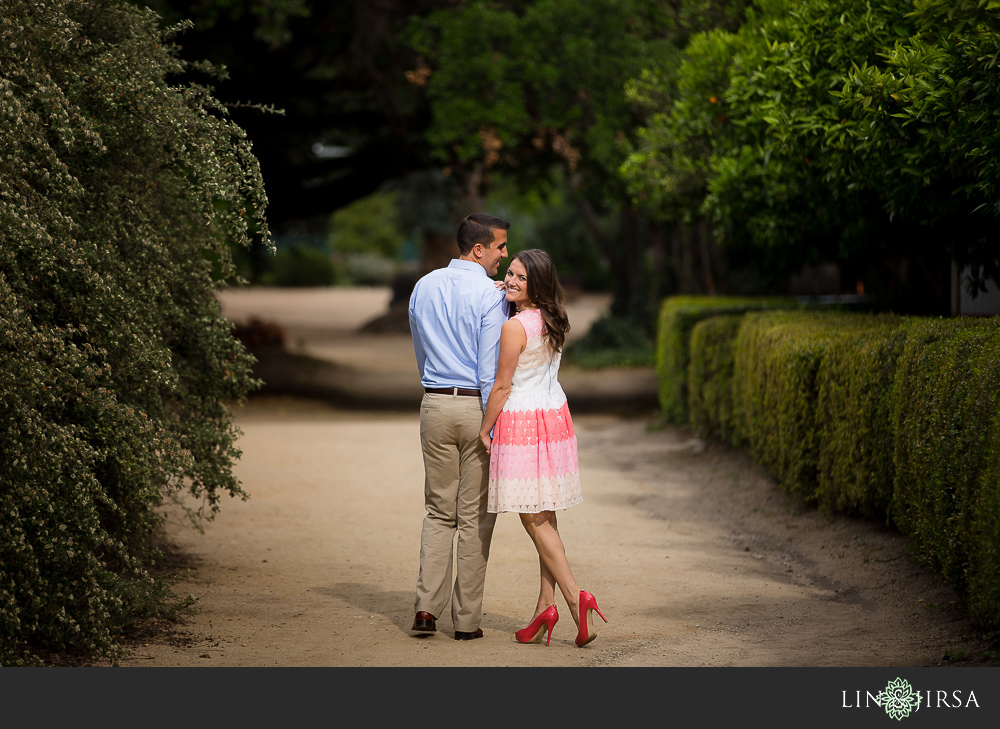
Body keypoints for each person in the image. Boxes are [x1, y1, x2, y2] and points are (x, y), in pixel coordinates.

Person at [479, 249, 607, 648]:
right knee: (547, 517)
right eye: (510, 275)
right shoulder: (552, 319)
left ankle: (575, 599)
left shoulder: (515, 327)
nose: (512, 281)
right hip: (553, 415)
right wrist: (507, 290)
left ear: (536, 284)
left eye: (520, 277)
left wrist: (485, 429)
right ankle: (543, 608)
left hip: (523, 420)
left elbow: (502, 386)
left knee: (533, 519)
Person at [408, 212, 510, 641]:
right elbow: (491, 371)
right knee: (474, 519)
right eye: (501, 247)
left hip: (434, 403)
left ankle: (426, 610)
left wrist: (434, 386)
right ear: (478, 248)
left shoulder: (423, 285)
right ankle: (466, 623)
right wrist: (490, 426)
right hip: (475, 409)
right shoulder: (491, 296)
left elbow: (420, 350)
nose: (505, 256)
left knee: (437, 511)